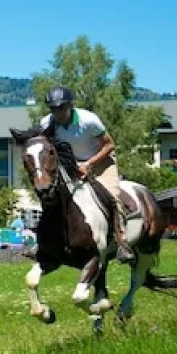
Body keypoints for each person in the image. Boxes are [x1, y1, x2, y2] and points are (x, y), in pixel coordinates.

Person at [38, 85, 133, 262]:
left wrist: (89, 164)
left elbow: (109, 145)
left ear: (70, 106)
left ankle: (121, 242)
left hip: (101, 161)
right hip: (70, 164)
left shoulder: (89, 120)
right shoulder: (46, 123)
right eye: (53, 108)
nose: (57, 112)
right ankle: (46, 241)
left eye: (61, 107)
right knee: (51, 194)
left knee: (112, 195)